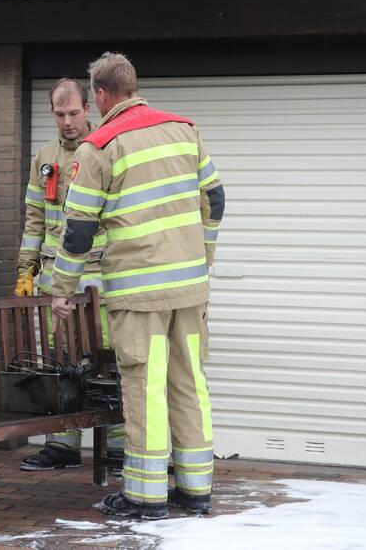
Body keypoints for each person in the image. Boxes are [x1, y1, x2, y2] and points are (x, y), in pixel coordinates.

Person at [49, 52, 225, 520]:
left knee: (145, 385)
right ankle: (195, 491)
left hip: (138, 293)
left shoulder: (100, 146)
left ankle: (146, 496)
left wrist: (61, 287)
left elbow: (79, 230)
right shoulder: (185, 130)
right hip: (189, 289)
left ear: (102, 95)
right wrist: (202, 258)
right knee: (190, 383)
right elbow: (216, 198)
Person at [14, 77, 124, 471]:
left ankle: (115, 446)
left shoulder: (107, 149)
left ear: (88, 109)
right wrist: (25, 270)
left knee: (106, 358)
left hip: (98, 275)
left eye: (74, 113)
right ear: (52, 113)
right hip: (53, 275)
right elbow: (34, 219)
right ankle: (62, 445)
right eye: (60, 114)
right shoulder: (44, 156)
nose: (67, 121)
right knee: (57, 360)